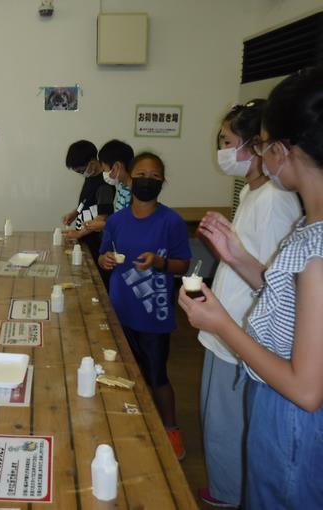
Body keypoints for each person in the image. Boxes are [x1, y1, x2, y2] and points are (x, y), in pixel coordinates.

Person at [180, 66, 323, 509]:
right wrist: (238, 256)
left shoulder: (316, 250)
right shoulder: (308, 229)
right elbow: (292, 302)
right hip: (279, 407)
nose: (260, 155)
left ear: (282, 149)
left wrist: (222, 323)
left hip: (292, 419)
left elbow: (306, 389)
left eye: (262, 144)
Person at [195, 100, 301, 507]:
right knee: (218, 419)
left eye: (227, 141)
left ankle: (228, 493)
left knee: (228, 423)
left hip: (241, 332)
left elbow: (279, 284)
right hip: (226, 329)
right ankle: (227, 486)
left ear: (258, 146)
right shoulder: (254, 193)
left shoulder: (275, 200)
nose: (221, 150)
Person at [97, 152, 191, 460]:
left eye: (154, 176)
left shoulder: (171, 221)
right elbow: (102, 255)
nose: (147, 181)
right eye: (142, 175)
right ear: (131, 177)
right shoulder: (116, 221)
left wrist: (160, 262)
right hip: (119, 311)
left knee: (157, 376)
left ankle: (171, 430)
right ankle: (129, 426)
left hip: (154, 314)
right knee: (123, 375)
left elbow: (182, 264)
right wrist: (105, 259)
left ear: (162, 182)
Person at [61, 140, 115, 263]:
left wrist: (79, 233)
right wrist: (74, 214)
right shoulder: (90, 177)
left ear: (92, 163)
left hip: (97, 242)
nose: (81, 174)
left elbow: (102, 218)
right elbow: (85, 202)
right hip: (85, 238)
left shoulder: (105, 185)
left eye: (81, 170)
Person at [83, 139, 134, 233]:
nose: (104, 173)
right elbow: (119, 218)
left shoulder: (135, 192)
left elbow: (133, 225)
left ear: (116, 167)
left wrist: (104, 225)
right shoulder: (121, 186)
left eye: (105, 169)